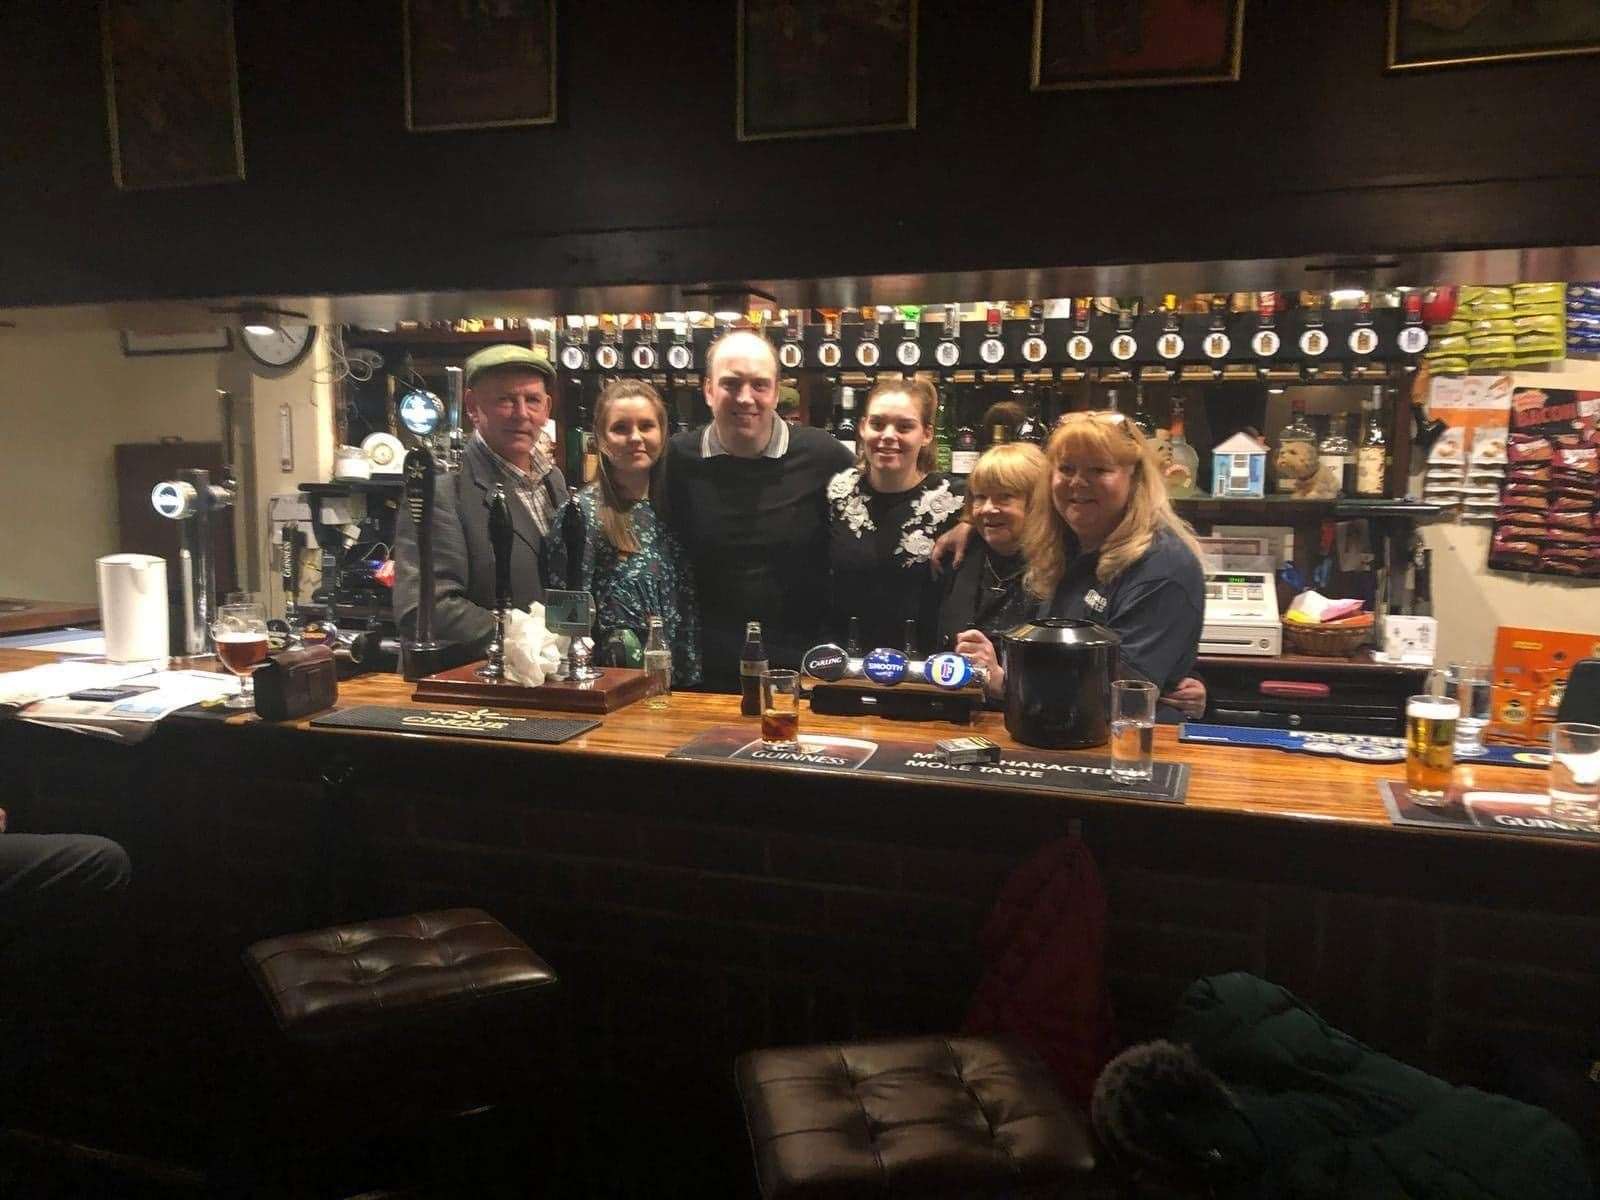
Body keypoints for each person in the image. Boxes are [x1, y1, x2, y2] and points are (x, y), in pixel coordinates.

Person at [954, 410, 1205, 722]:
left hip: (1126, 753)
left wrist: (1003, 682)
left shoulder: (1162, 565)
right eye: (1066, 468)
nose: (1078, 482)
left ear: (1135, 478)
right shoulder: (1064, 551)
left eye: (1098, 469)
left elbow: (1117, 697)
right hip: (1056, 742)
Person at [666, 329, 853, 690]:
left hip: (800, 667)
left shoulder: (821, 454)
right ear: (708, 390)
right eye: (731, 384)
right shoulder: (676, 458)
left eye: (759, 385)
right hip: (703, 669)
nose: (745, 397)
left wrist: (967, 519)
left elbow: (891, 492)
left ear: (777, 390)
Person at [393, 344, 568, 653]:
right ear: (473, 406)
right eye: (506, 400)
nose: (522, 413)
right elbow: (424, 607)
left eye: (533, 400)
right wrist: (523, 638)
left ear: (548, 408)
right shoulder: (443, 491)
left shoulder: (553, 482)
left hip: (547, 679)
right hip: (476, 685)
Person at [561, 379, 701, 687]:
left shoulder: (679, 509)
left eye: (646, 426)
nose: (635, 438)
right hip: (615, 686)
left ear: (663, 435)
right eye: (620, 428)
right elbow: (566, 624)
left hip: (683, 686)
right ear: (599, 437)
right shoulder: (580, 514)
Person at [825, 378, 963, 654]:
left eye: (904, 427)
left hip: (925, 671)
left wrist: (970, 523)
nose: (888, 435)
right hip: (847, 667)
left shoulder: (956, 500)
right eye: (878, 424)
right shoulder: (836, 492)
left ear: (927, 434)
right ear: (863, 428)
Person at [936, 441, 1048, 657]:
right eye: (980, 497)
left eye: (1004, 496)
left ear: (1037, 501)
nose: (987, 508)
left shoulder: (1060, 566)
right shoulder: (960, 553)